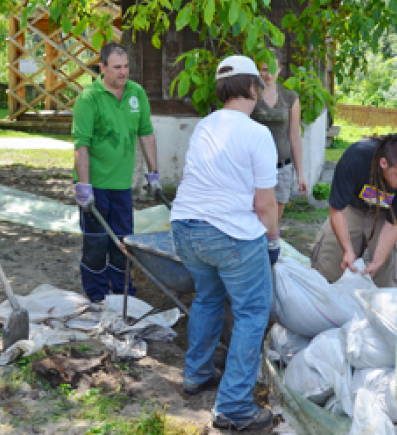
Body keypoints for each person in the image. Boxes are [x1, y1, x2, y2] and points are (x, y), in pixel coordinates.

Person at [170, 55, 279, 431]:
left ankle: (196, 373)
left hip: (185, 228)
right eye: (260, 85)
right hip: (229, 235)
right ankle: (233, 406)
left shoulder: (205, 126)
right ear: (252, 87)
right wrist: (273, 240)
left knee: (208, 297)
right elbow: (265, 204)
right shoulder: (256, 134)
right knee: (252, 312)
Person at [71, 42, 160, 303]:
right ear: (103, 68)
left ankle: (122, 292)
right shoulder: (89, 98)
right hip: (95, 184)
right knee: (97, 242)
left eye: (126, 67)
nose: (123, 73)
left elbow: (146, 134)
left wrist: (154, 174)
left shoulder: (136, 94)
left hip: (121, 185)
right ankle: (97, 295)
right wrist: (84, 187)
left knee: (123, 241)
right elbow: (82, 145)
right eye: (117, 67)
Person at [310, 133, 397, 287]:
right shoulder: (355, 158)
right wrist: (348, 250)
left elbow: (394, 224)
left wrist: (377, 262)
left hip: (388, 216)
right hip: (352, 208)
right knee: (327, 269)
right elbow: (337, 210)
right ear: (383, 163)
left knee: (394, 279)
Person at [250, 48, 308, 230]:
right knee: (254, 216)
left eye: (272, 69)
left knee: (273, 222)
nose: (268, 75)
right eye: (264, 69)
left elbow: (294, 137)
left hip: (282, 167)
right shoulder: (251, 96)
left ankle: (271, 251)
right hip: (254, 168)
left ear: (280, 69)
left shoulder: (290, 97)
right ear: (258, 70)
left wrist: (300, 174)